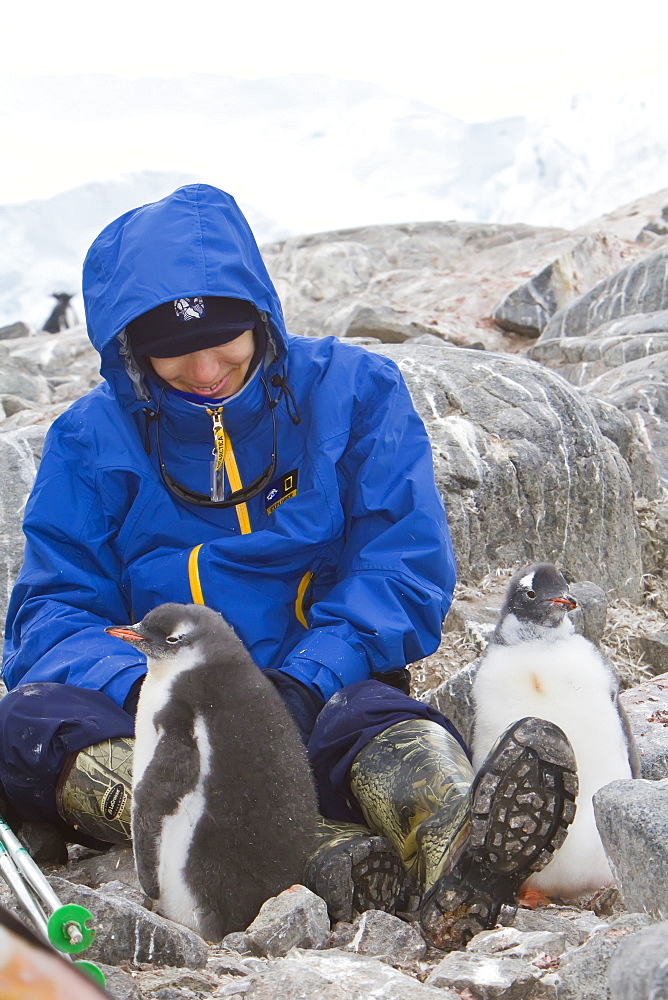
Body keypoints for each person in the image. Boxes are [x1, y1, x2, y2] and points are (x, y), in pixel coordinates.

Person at [0, 185, 576, 948]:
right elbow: (52, 611)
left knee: (378, 722)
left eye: (228, 339)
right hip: (168, 722)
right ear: (130, 350)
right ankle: (314, 852)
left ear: (261, 318)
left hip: (321, 694)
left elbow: (402, 567)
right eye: (174, 352)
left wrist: (304, 680)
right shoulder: (90, 440)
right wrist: (156, 689)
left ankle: (455, 840)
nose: (207, 368)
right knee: (32, 723)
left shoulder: (354, 392)